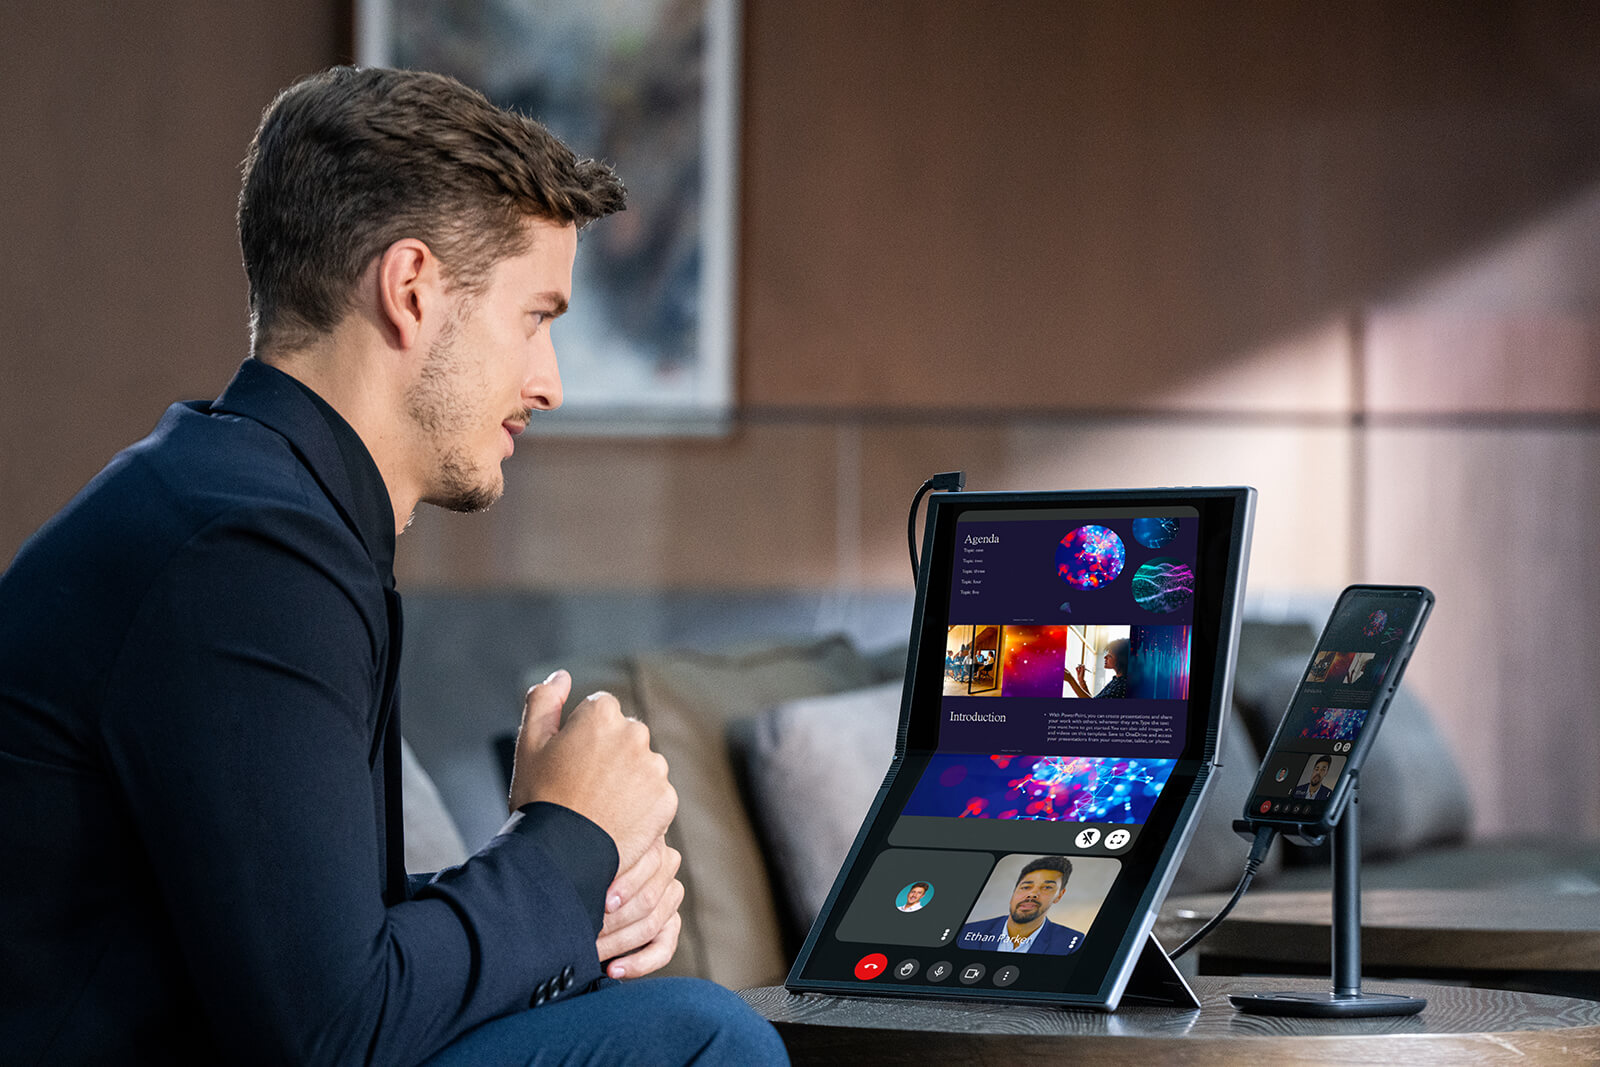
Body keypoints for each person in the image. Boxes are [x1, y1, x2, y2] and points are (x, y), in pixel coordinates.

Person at [0, 67, 785, 1066]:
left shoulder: (236, 504)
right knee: (695, 1037)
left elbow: (311, 957)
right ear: (411, 290)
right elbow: (335, 1029)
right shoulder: (247, 554)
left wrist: (574, 890)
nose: (547, 382)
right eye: (536, 317)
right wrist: (567, 839)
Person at [956, 857, 1085, 955]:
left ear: (1059, 895)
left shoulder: (1072, 942)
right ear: (1015, 890)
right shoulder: (968, 932)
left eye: (1047, 887)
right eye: (1026, 887)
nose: (1033, 894)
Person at [1064, 638, 1131, 698]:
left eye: (1110, 656)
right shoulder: (1116, 680)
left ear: (1122, 660)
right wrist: (1081, 681)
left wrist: (1071, 680)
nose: (1105, 657)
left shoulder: (1122, 686)